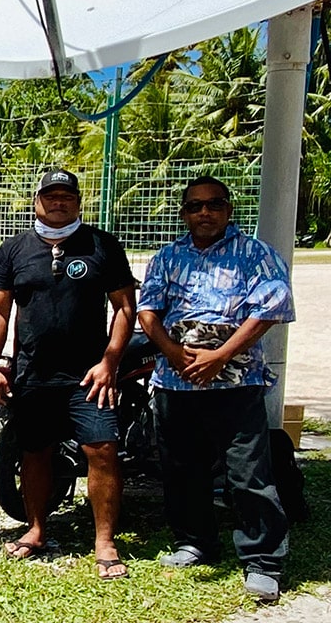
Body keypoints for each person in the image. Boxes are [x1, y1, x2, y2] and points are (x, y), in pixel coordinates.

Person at [137, 176, 294, 602]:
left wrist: (220, 355)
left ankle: (262, 561)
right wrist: (172, 352)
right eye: (195, 206)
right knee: (182, 468)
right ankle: (195, 543)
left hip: (235, 381)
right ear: (184, 213)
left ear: (229, 209)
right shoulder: (167, 257)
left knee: (247, 473)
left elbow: (271, 308)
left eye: (214, 204)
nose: (204, 213)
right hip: (176, 381)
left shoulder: (256, 254)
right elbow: (148, 309)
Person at [0, 168, 135, 580]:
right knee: (34, 452)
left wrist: (110, 362)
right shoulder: (14, 249)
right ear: (37, 201)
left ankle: (105, 542)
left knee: (101, 450)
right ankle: (36, 529)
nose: (59, 202)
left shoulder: (102, 245)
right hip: (33, 374)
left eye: (67, 195)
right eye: (51, 195)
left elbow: (124, 307)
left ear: (78, 201)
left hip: (89, 376)